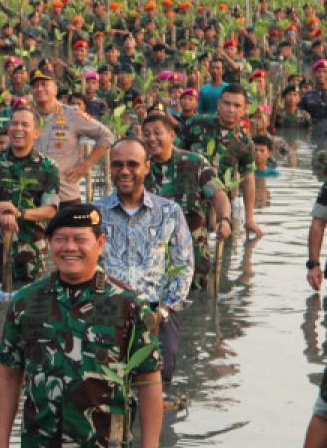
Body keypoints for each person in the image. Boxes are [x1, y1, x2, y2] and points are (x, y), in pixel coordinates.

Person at [0, 203, 163, 448]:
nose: (69, 247)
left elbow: (149, 383)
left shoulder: (129, 305)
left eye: (80, 239)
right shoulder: (26, 303)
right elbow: (7, 377)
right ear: (49, 243)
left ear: (100, 243)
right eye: (60, 238)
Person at [94, 139, 194, 382]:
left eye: (132, 164)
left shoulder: (169, 211)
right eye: (117, 165)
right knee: (103, 379)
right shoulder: (95, 212)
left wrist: (161, 311)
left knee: (159, 375)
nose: (125, 171)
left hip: (156, 309)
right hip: (107, 310)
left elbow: (184, 266)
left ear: (146, 167)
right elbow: (88, 265)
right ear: (110, 168)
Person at [139, 111, 231, 286]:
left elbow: (219, 195)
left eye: (157, 133)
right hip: (151, 252)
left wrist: (225, 220)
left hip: (192, 251)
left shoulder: (194, 162)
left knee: (197, 303)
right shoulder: (139, 166)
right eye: (147, 134)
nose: (152, 138)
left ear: (172, 135)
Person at [0, 105, 60, 285]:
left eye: (25, 125)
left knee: (30, 306)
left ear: (36, 133)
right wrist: (1, 213)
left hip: (31, 250)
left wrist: (19, 213)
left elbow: (50, 209)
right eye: (14, 124)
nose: (18, 129)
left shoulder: (48, 167)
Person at [179, 83, 263, 238]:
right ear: (219, 104)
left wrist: (250, 218)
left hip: (222, 205)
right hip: (189, 201)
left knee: (223, 252)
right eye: (227, 103)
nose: (231, 109)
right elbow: (174, 154)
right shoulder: (195, 124)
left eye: (237, 105)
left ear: (245, 109)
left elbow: (248, 179)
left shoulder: (245, 143)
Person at [31, 67, 113, 205]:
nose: (39, 89)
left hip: (65, 196)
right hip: (33, 198)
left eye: (44, 84)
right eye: (35, 85)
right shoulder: (26, 117)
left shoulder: (72, 114)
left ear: (56, 89)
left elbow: (106, 136)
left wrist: (86, 165)